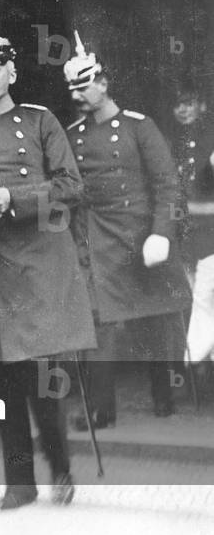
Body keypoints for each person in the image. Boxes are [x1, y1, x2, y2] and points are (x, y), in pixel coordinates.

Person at [0, 9, 96, 510]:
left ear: (12, 72)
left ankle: (62, 469)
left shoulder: (42, 121)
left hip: (42, 265)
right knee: (4, 382)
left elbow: (72, 187)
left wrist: (13, 198)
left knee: (45, 377)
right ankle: (19, 483)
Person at [63, 34, 191, 425]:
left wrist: (162, 233)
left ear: (103, 83)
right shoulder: (74, 135)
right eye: (72, 88)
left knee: (156, 319)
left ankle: (164, 397)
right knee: (99, 322)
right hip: (97, 240)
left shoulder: (139, 127)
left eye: (84, 86)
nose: (77, 95)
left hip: (143, 236)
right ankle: (101, 410)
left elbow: (168, 186)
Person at [169, 84, 214, 363]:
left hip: (211, 235)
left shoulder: (210, 140)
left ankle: (196, 363)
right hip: (187, 236)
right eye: (178, 105)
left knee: (205, 301)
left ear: (203, 106)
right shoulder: (175, 142)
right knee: (193, 299)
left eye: (189, 102)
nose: (183, 109)